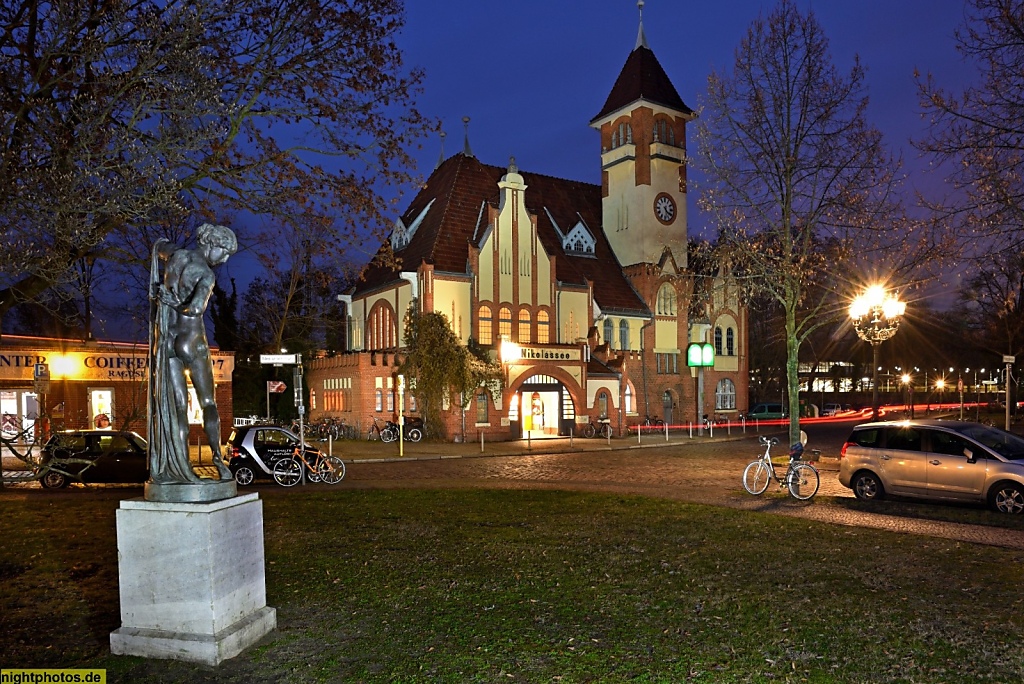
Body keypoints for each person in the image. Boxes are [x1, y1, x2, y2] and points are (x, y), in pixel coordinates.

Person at [149, 223, 236, 484]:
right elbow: (196, 309)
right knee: (208, 402)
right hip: (192, 339)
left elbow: (158, 248)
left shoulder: (176, 256)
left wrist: (164, 296)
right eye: (224, 252)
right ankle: (218, 463)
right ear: (211, 245)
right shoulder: (206, 275)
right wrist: (176, 303)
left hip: (167, 341)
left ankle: (180, 466)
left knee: (177, 407)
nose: (225, 259)